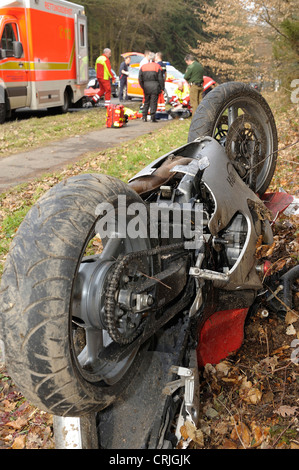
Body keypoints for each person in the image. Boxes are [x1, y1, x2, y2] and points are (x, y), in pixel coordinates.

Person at [138, 52, 164, 122]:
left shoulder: (143, 67)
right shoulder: (157, 66)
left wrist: (143, 86)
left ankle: (144, 116)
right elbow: (161, 79)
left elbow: (140, 79)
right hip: (155, 87)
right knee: (153, 102)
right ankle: (153, 117)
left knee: (146, 102)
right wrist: (162, 88)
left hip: (146, 87)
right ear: (154, 59)